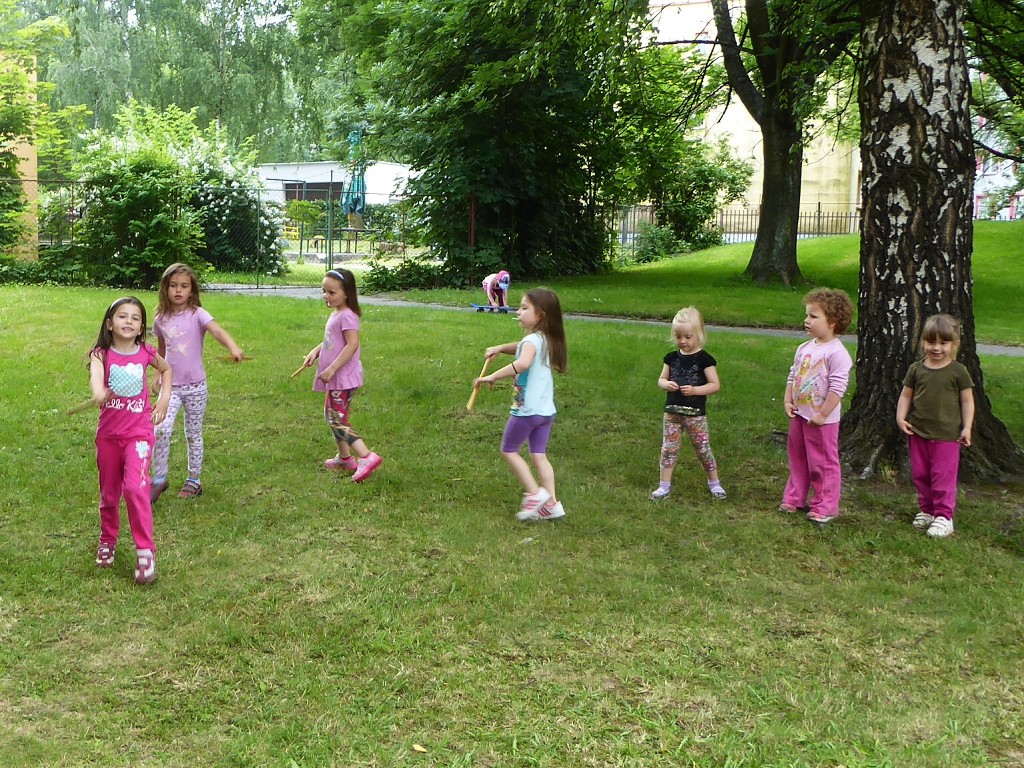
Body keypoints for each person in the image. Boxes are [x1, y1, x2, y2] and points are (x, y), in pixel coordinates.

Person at [88, 296, 172, 585]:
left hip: (139, 434)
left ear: (141, 328)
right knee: (109, 493)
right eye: (122, 316)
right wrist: (99, 391)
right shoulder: (101, 355)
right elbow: (96, 377)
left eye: (135, 318)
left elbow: (166, 369)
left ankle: (145, 551)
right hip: (109, 437)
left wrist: (164, 399)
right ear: (110, 324)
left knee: (136, 487)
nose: (129, 321)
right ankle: (107, 539)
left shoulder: (146, 352)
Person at [151, 263, 244, 502]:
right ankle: (159, 479)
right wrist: (157, 374)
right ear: (165, 288)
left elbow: (217, 331)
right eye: (173, 285)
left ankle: (194, 480)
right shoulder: (160, 318)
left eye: (184, 286)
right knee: (160, 429)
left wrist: (233, 346)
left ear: (191, 290)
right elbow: (161, 350)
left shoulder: (197, 314)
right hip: (170, 387)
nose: (178, 290)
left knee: (193, 434)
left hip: (195, 387)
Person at [476, 287, 568, 521]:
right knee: (539, 456)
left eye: (524, 308)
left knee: (509, 450)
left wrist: (493, 376)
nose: (518, 311)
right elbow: (521, 347)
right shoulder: (545, 339)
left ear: (540, 316)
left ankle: (535, 495)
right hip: (545, 412)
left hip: (526, 410)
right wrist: (500, 348)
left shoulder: (531, 341)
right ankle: (552, 504)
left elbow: (523, 362)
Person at [895, 314, 975, 538]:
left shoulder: (958, 371)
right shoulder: (916, 369)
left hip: (947, 436)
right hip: (918, 432)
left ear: (954, 344)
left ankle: (944, 516)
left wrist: (967, 427)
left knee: (942, 476)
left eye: (943, 343)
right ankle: (927, 510)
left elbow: (967, 401)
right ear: (923, 342)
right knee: (921, 474)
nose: (937, 348)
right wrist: (901, 418)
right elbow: (906, 395)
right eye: (931, 342)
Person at [779, 288, 854, 524]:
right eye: (807, 315)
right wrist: (788, 400)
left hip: (822, 421)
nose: (807, 320)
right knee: (798, 457)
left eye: (813, 316)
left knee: (822, 462)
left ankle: (825, 505)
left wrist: (822, 414)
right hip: (800, 415)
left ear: (832, 322)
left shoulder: (837, 353)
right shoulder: (804, 348)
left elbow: (837, 388)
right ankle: (795, 497)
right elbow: (793, 375)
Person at [303, 268, 382, 482]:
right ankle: (345, 459)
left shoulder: (347, 316)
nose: (326, 296)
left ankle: (366, 456)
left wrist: (332, 368)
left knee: (336, 419)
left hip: (342, 378)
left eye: (332, 292)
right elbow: (331, 341)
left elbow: (352, 345)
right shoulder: (338, 313)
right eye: (324, 291)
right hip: (337, 378)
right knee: (334, 417)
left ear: (346, 293)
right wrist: (316, 351)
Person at [651, 307, 726, 501]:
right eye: (678, 336)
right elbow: (661, 379)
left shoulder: (705, 360)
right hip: (672, 413)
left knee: (702, 448)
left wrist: (695, 390)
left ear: (699, 335)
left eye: (687, 337)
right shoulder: (671, 358)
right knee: (669, 448)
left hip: (695, 415)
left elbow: (715, 385)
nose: (682, 341)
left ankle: (714, 483)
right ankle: (664, 485)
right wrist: (666, 384)